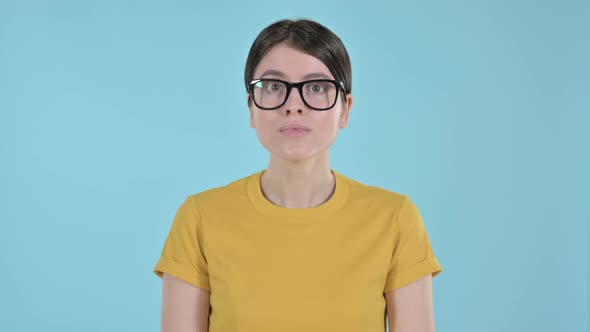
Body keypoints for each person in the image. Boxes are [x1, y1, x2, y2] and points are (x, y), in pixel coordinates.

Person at [153, 18, 443, 332]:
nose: (294, 105)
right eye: (274, 86)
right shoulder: (199, 218)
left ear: (345, 110)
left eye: (316, 87)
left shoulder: (395, 218)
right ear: (251, 106)